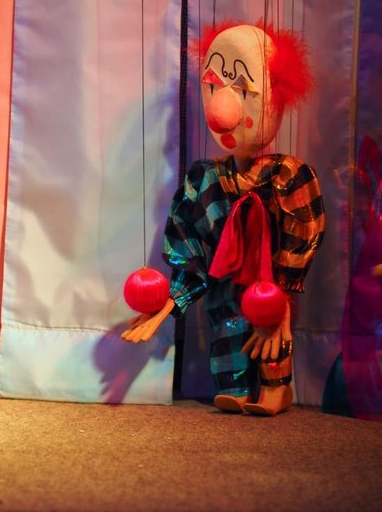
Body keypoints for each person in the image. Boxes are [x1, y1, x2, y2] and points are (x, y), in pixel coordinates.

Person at [122, 23, 325, 415]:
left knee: (269, 326)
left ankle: (276, 386)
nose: (220, 109)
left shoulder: (287, 176)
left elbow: (304, 226)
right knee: (228, 328)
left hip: (266, 285)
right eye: (213, 86)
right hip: (225, 289)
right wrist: (169, 303)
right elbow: (191, 244)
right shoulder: (205, 179)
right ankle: (235, 384)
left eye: (244, 89)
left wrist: (282, 296)